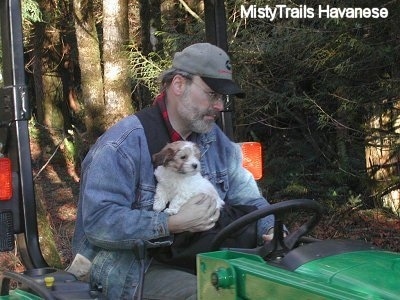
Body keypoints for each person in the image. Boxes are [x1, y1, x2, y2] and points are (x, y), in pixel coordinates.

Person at [70, 43, 275, 299]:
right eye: (212, 94)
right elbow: (99, 223)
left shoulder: (214, 140)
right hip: (134, 266)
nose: (220, 105)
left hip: (197, 255)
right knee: (211, 296)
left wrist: (273, 230)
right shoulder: (120, 146)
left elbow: (249, 199)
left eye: (222, 97)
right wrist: (171, 223)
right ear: (179, 85)